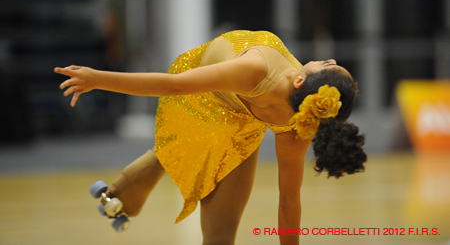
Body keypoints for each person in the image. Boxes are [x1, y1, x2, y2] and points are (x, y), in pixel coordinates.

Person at [55, 30, 366, 245]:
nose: (328, 59)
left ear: (301, 79)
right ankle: (125, 191)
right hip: (205, 90)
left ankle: (124, 194)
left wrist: (98, 77)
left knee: (220, 237)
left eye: (330, 64)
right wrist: (97, 79)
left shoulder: (298, 125)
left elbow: (288, 203)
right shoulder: (255, 68)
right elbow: (176, 86)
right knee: (190, 142)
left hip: (242, 125)